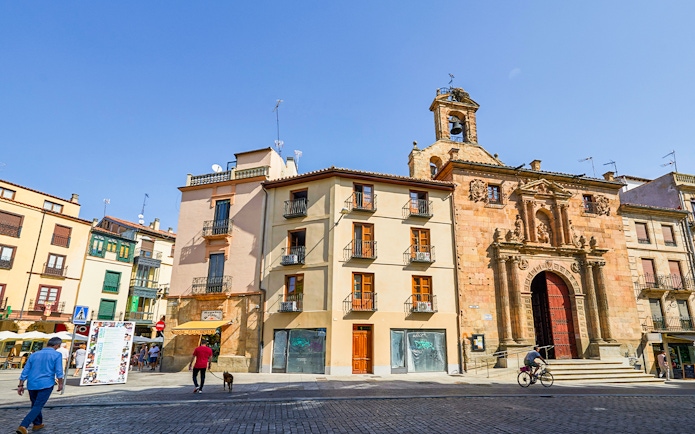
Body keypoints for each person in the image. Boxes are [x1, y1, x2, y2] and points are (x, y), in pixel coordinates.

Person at [16, 337, 64, 434]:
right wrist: (61, 383)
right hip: (46, 384)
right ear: (57, 345)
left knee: (35, 404)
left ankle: (37, 424)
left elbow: (26, 370)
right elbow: (59, 371)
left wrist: (20, 385)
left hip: (32, 383)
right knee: (38, 405)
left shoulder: (34, 354)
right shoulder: (57, 354)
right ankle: (23, 425)